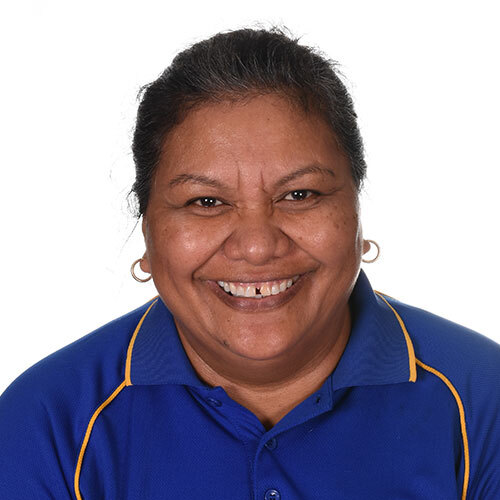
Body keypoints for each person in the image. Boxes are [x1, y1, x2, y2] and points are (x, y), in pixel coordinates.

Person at [0, 27, 499, 500]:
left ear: (356, 209)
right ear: (147, 229)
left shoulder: (484, 402)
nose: (258, 247)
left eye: (300, 194)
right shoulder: (47, 423)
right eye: (206, 202)